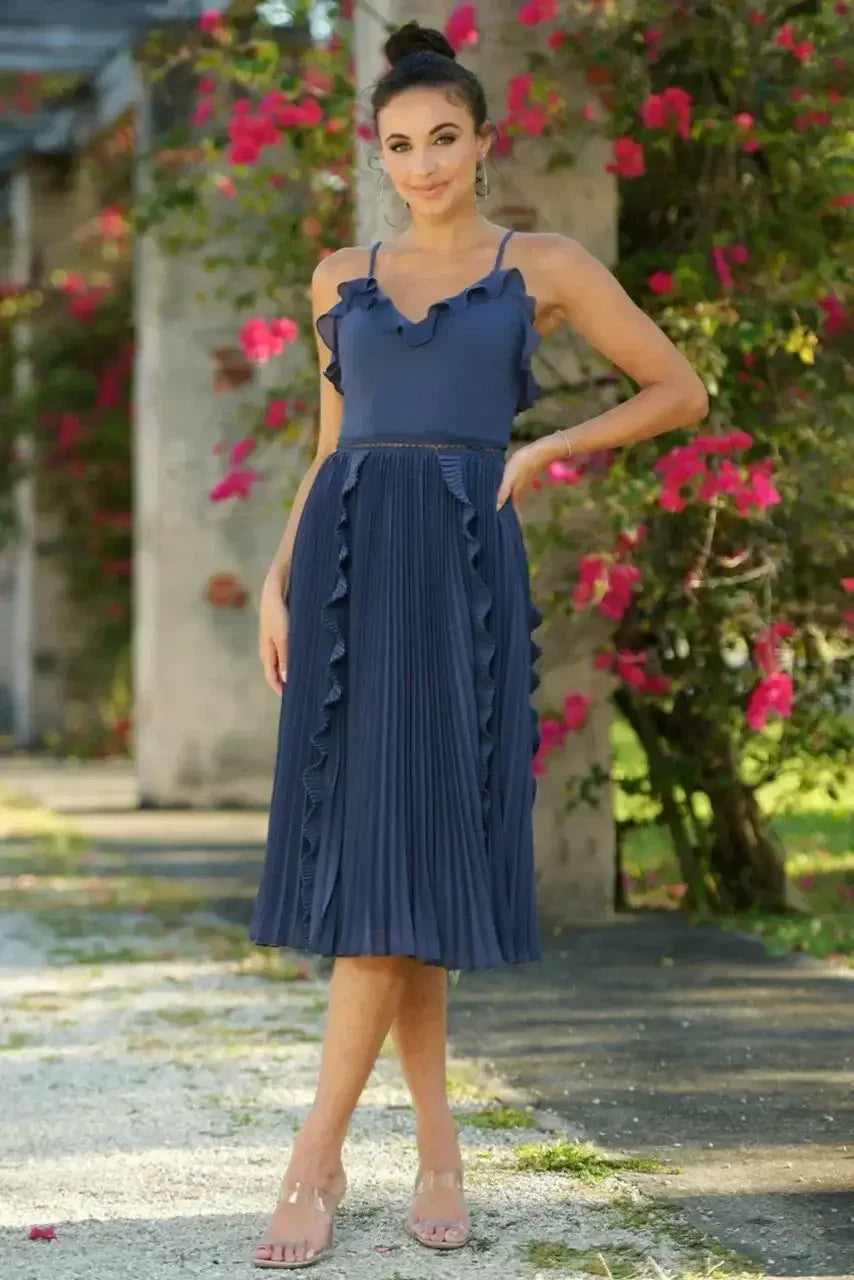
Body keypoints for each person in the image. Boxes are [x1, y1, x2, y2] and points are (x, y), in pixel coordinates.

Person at [249, 17, 708, 1271]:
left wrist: (543, 447)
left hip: (458, 567)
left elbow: (677, 389)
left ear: (483, 141)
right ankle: (429, 1144)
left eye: (443, 137)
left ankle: (318, 1154)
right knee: (384, 871)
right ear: (377, 155)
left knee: (416, 857)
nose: (424, 163)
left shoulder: (538, 262)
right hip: (347, 573)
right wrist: (277, 582)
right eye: (400, 145)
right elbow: (331, 447)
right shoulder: (339, 275)